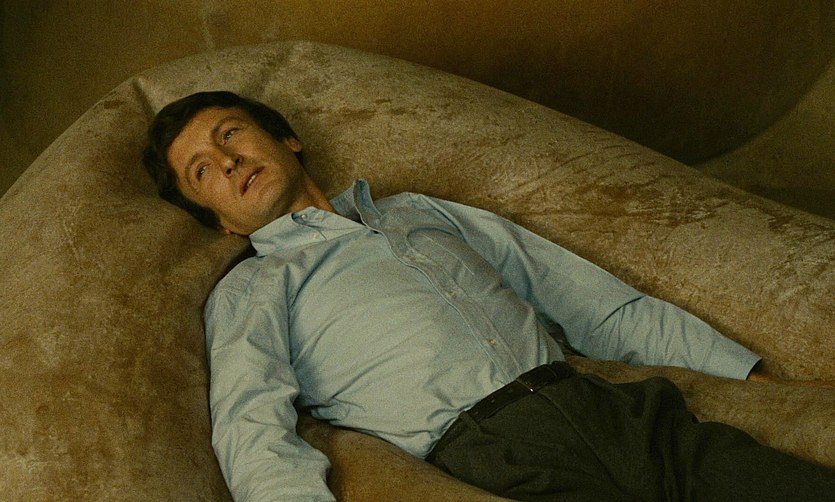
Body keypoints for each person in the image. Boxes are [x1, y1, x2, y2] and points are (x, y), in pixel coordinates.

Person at [143, 91, 835, 501]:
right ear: (222, 223)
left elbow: (589, 301)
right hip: (492, 455)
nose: (227, 160)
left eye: (230, 133)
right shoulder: (255, 286)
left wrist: (752, 378)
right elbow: (251, 427)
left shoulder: (414, 211)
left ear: (287, 138)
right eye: (202, 171)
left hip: (615, 411)